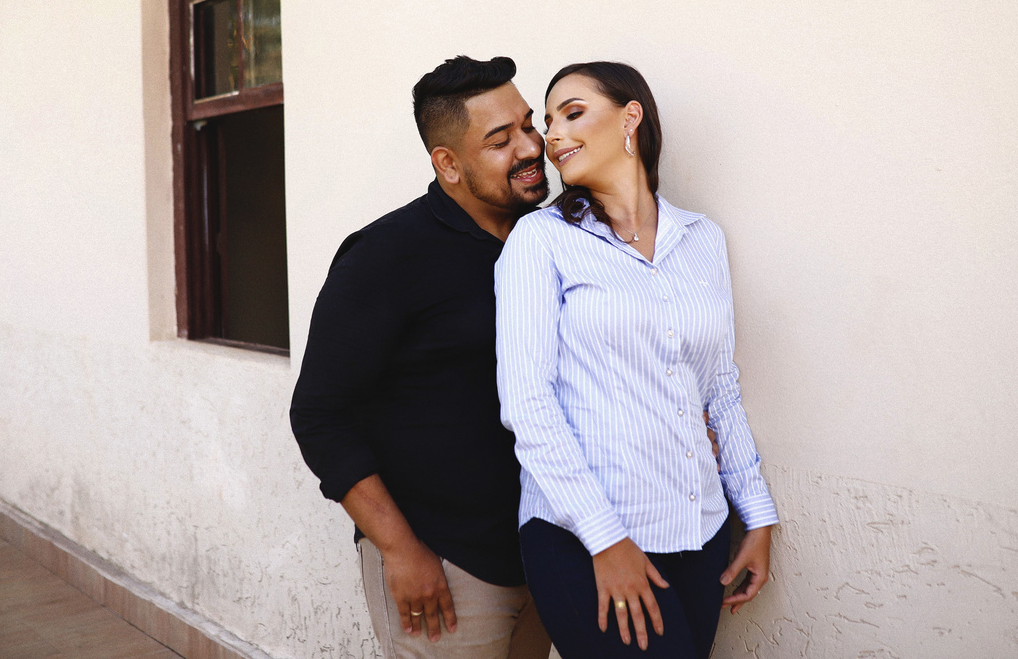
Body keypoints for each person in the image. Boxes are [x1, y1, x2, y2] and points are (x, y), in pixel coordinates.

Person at [494, 62, 779, 659]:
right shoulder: (540, 240)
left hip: (699, 528)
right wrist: (606, 541)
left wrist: (756, 516)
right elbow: (527, 401)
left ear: (631, 116)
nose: (553, 136)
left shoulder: (702, 239)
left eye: (572, 113)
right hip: (581, 536)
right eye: (549, 123)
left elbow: (719, 386)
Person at [289, 56, 553, 659]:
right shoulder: (385, 256)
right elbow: (320, 416)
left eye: (527, 125)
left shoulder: (551, 242)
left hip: (545, 550)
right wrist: (402, 552)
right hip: (444, 565)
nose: (530, 146)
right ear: (447, 163)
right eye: (500, 139)